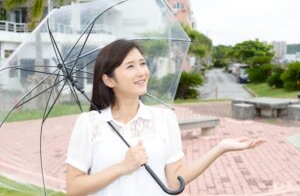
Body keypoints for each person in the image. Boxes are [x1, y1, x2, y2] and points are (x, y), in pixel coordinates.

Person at [66, 39, 266, 196]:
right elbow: (74, 188)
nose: (141, 72)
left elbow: (174, 181)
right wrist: (122, 167)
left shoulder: (164, 119)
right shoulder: (89, 123)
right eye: (130, 67)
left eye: (142, 64)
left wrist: (220, 148)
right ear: (109, 80)